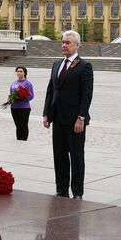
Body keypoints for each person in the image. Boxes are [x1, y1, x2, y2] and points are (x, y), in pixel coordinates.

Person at [43, 30, 94, 199]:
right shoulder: (57, 64)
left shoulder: (84, 66)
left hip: (75, 121)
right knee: (59, 156)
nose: (64, 45)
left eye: (68, 42)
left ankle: (77, 192)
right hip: (57, 119)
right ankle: (61, 189)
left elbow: (87, 95)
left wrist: (81, 117)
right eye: (63, 42)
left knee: (77, 157)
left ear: (77, 45)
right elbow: (51, 90)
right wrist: (46, 114)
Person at [10, 66, 34, 140]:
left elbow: (31, 96)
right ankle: (19, 140)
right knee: (18, 125)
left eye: (21, 71)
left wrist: (22, 97)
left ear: (24, 73)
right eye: (18, 71)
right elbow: (11, 94)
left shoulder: (28, 83)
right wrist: (11, 99)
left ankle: (23, 140)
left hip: (24, 108)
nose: (19, 73)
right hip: (14, 107)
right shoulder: (13, 83)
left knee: (23, 125)